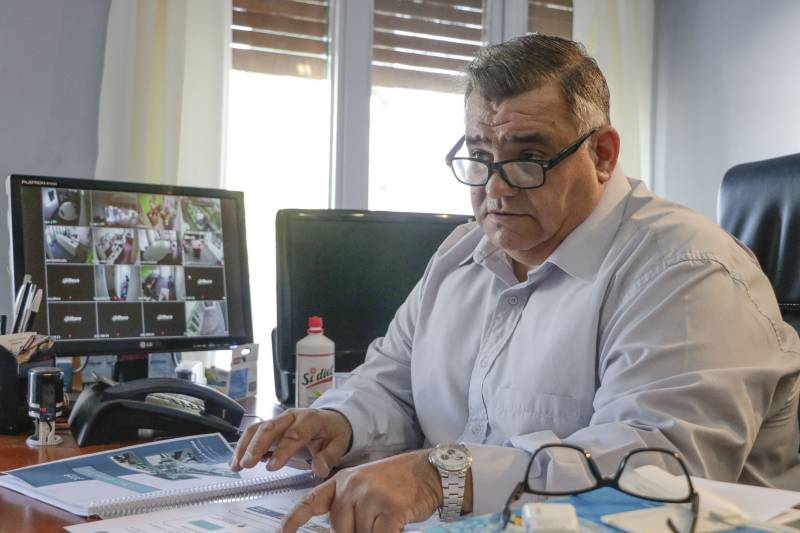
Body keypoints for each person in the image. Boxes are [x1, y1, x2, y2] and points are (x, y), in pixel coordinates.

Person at [231, 34, 800, 532]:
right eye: (479, 157)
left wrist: (440, 476)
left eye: (528, 158)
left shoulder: (686, 270)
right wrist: (339, 422)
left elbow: (652, 472)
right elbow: (393, 382)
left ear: (602, 154)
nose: (496, 189)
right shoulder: (461, 255)